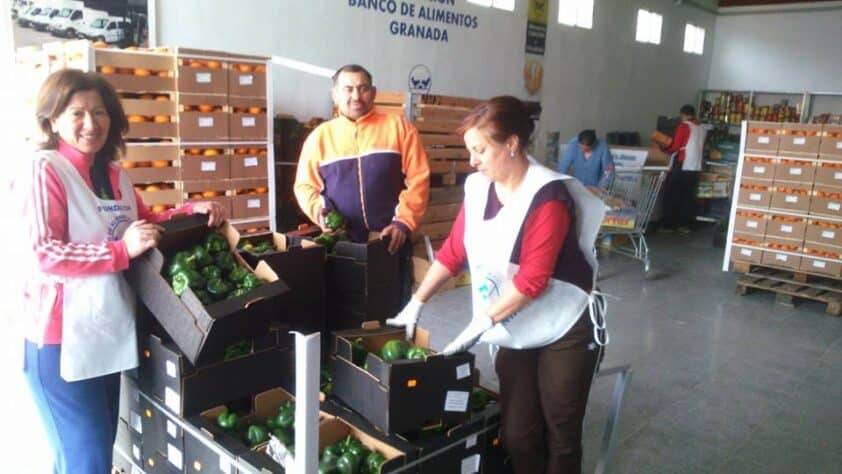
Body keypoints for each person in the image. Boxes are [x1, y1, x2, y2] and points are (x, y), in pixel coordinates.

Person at [17, 69, 225, 473]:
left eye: (100, 112)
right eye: (76, 113)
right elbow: (44, 252)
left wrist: (189, 211)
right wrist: (118, 252)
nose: (90, 124)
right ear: (52, 119)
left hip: (106, 332)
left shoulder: (114, 174)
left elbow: (145, 225)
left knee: (98, 453)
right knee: (85, 461)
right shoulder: (46, 169)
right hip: (61, 342)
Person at [387, 96, 608, 473]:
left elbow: (533, 280)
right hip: (514, 323)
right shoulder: (477, 188)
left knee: (562, 434)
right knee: (518, 433)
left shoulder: (548, 196)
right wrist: (417, 301)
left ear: (512, 144)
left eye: (480, 150)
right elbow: (455, 250)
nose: (473, 160)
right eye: (471, 151)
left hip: (564, 324)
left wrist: (480, 324)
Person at [294, 64, 430, 303]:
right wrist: (319, 212)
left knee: (393, 311)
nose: (356, 96)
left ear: (374, 92)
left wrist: (403, 222)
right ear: (334, 94)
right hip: (342, 244)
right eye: (348, 89)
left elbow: (418, 179)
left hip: (389, 243)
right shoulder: (320, 137)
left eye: (363, 88)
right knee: (347, 311)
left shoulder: (399, 128)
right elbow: (305, 186)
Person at [659, 104, 707, 233]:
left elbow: (675, 147)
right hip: (696, 167)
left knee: (671, 194)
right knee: (688, 197)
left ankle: (669, 226)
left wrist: (663, 148)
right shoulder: (702, 128)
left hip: (683, 164)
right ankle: (684, 225)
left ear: (683, 115)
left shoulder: (684, 126)